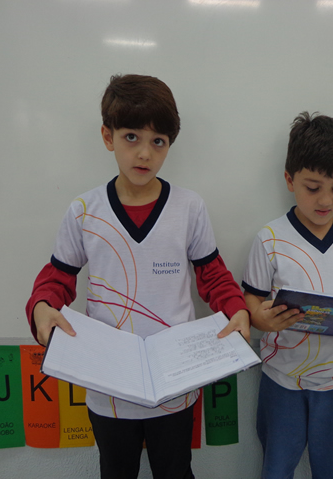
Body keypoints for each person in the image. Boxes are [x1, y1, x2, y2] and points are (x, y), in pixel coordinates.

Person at [25, 74, 249, 479]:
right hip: (108, 384)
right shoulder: (84, 211)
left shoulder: (189, 208)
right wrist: (41, 306)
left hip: (176, 382)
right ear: (107, 137)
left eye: (158, 141)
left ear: (169, 145)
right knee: (116, 471)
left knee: (175, 471)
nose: (145, 153)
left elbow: (213, 276)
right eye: (131, 137)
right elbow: (56, 279)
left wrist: (237, 309)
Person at [242, 112, 333, 479]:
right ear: (290, 180)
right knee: (276, 468)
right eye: (313, 188)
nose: (326, 200)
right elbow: (251, 301)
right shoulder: (269, 238)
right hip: (282, 377)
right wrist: (262, 320)